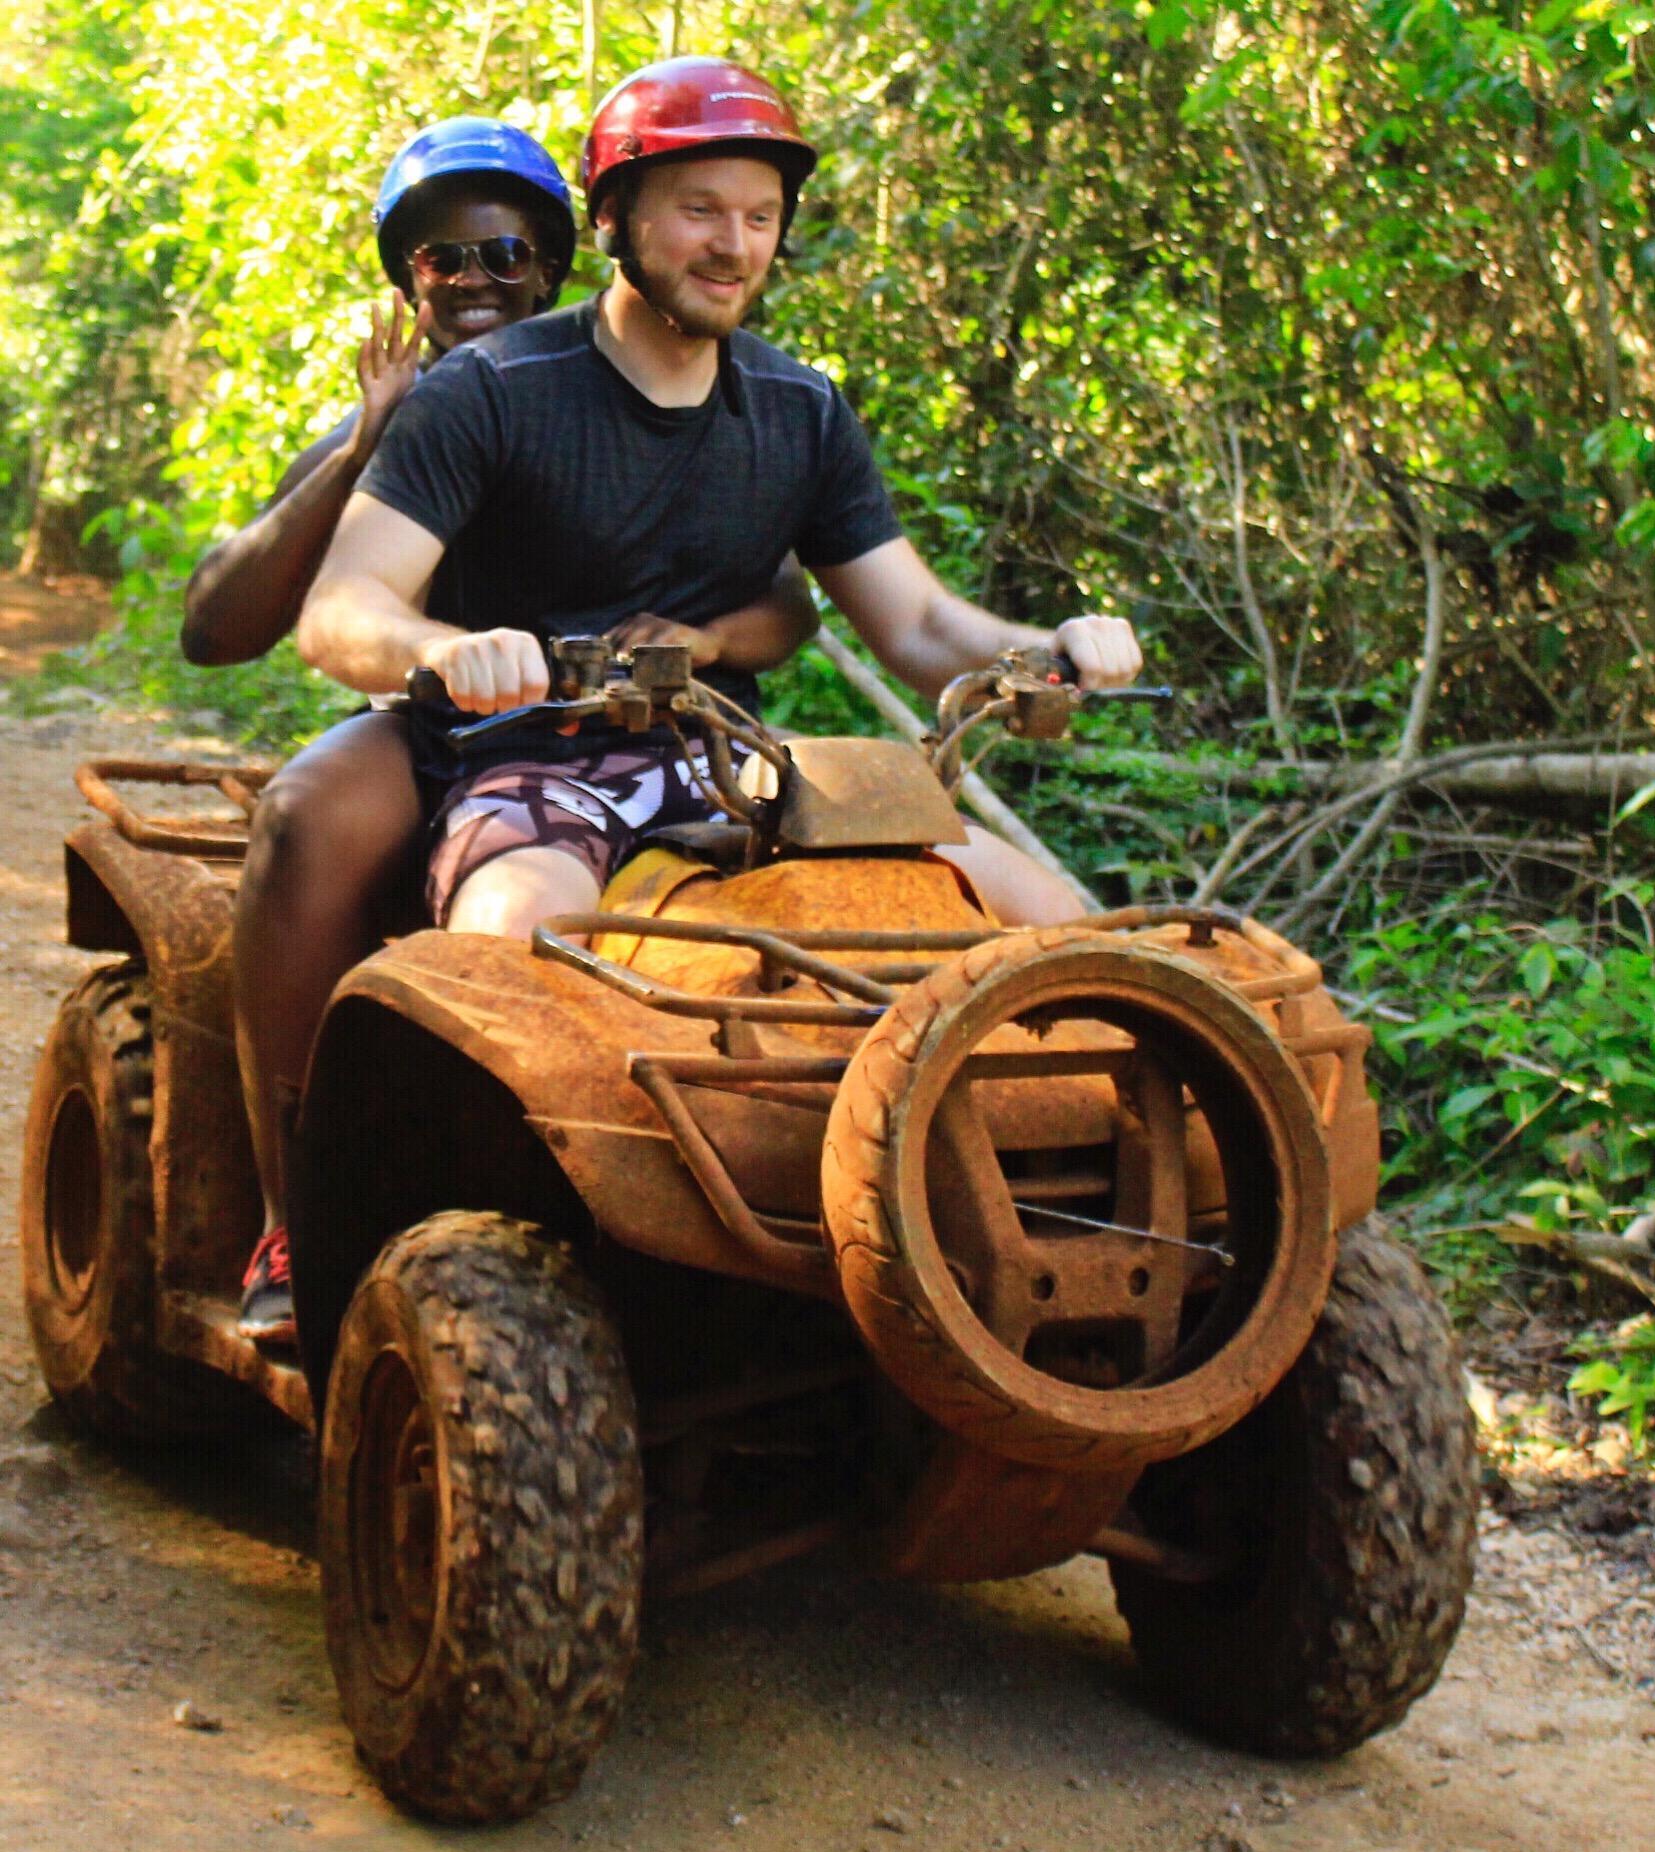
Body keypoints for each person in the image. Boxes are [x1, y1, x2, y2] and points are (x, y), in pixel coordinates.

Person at [298, 55, 1141, 963]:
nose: (733, 246)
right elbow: (340, 609)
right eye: (700, 209)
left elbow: (923, 624)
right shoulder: (489, 390)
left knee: (1059, 927)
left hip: (734, 766)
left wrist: (1052, 652)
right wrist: (443, 649)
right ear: (614, 218)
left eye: (760, 217)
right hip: (526, 767)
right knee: (512, 938)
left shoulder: (801, 409)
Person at [198, 117, 818, 1345]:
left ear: (552, 264)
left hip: (623, 731)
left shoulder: (613, 393)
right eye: (444, 261)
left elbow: (787, 595)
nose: (476, 282)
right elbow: (220, 627)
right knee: (308, 817)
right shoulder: (413, 414)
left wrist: (702, 640)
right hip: (439, 726)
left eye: (504, 257)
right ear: (406, 279)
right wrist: (357, 451)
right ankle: (289, 1209)